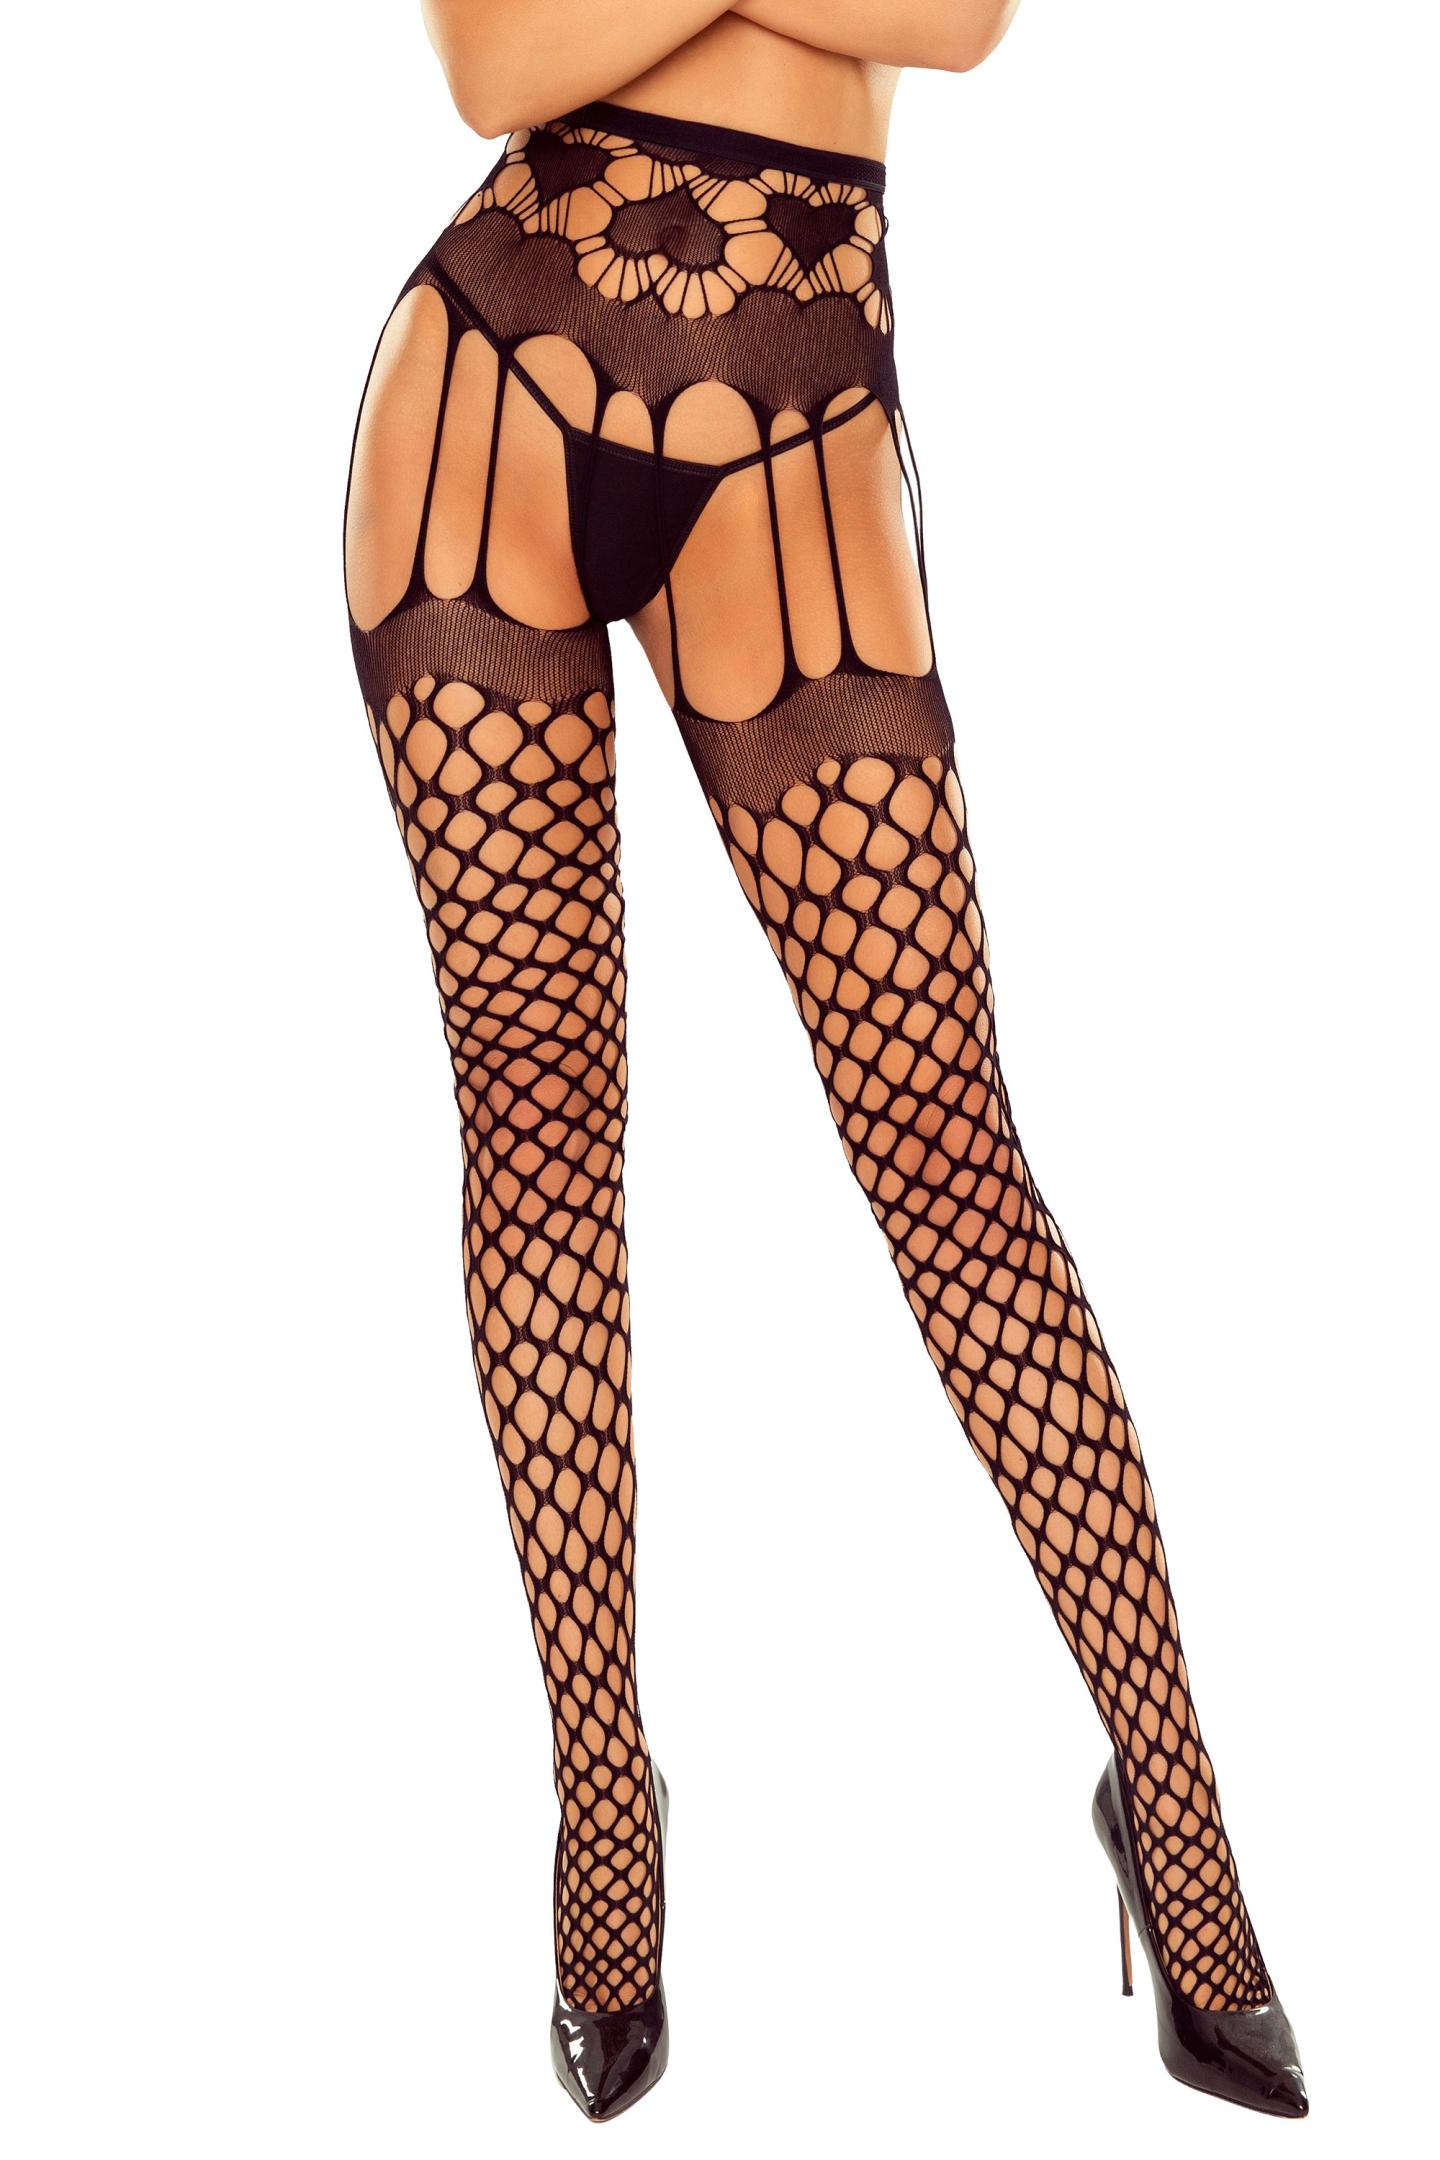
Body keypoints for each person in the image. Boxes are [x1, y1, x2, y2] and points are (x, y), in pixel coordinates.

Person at [341, 1, 1308, 2123]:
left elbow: (959, 17)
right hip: (485, 402)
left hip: (797, 432)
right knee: (537, 1135)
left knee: (950, 1153)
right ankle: (606, 1802)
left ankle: (1172, 1797)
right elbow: (492, 70)